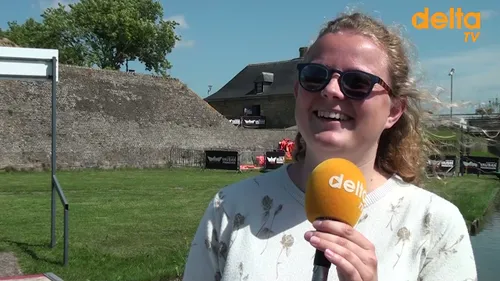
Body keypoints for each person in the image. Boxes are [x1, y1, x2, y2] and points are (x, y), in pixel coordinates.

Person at [182, 11, 477, 281]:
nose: (331, 90)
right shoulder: (231, 207)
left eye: (358, 82)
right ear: (298, 91)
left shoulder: (434, 224)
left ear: (393, 111)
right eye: (315, 76)